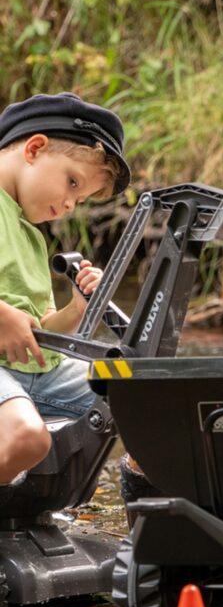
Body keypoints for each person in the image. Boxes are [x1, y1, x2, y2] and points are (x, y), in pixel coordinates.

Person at [0, 93, 130, 487]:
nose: (72, 203)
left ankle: (152, 531)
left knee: (145, 402)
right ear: (35, 148)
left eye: (81, 198)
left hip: (36, 374)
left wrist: (76, 308)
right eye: (72, 183)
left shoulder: (30, 237)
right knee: (25, 436)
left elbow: (40, 334)